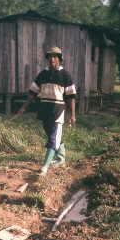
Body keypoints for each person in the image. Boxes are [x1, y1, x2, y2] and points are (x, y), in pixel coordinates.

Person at [16, 46, 77, 176]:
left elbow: (71, 97)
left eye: (55, 57)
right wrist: (23, 107)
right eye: (50, 57)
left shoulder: (65, 75)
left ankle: (45, 166)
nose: (52, 59)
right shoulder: (43, 74)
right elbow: (33, 92)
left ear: (60, 59)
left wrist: (72, 115)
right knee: (52, 136)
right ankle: (61, 159)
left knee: (53, 138)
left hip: (58, 110)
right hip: (44, 109)